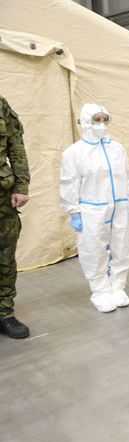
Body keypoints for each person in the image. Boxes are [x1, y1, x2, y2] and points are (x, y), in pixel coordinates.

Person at [60, 103, 129, 313]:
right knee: (94, 251)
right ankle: (100, 291)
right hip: (92, 210)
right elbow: (69, 184)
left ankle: (118, 287)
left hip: (120, 206)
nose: (101, 124)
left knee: (122, 248)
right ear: (85, 122)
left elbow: (128, 177)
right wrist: (74, 212)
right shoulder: (74, 152)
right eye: (96, 120)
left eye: (104, 119)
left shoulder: (117, 148)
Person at [0, 95, 30, 338]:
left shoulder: (1, 104)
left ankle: (5, 313)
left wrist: (21, 186)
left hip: (2, 197)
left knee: (5, 257)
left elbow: (15, 145)